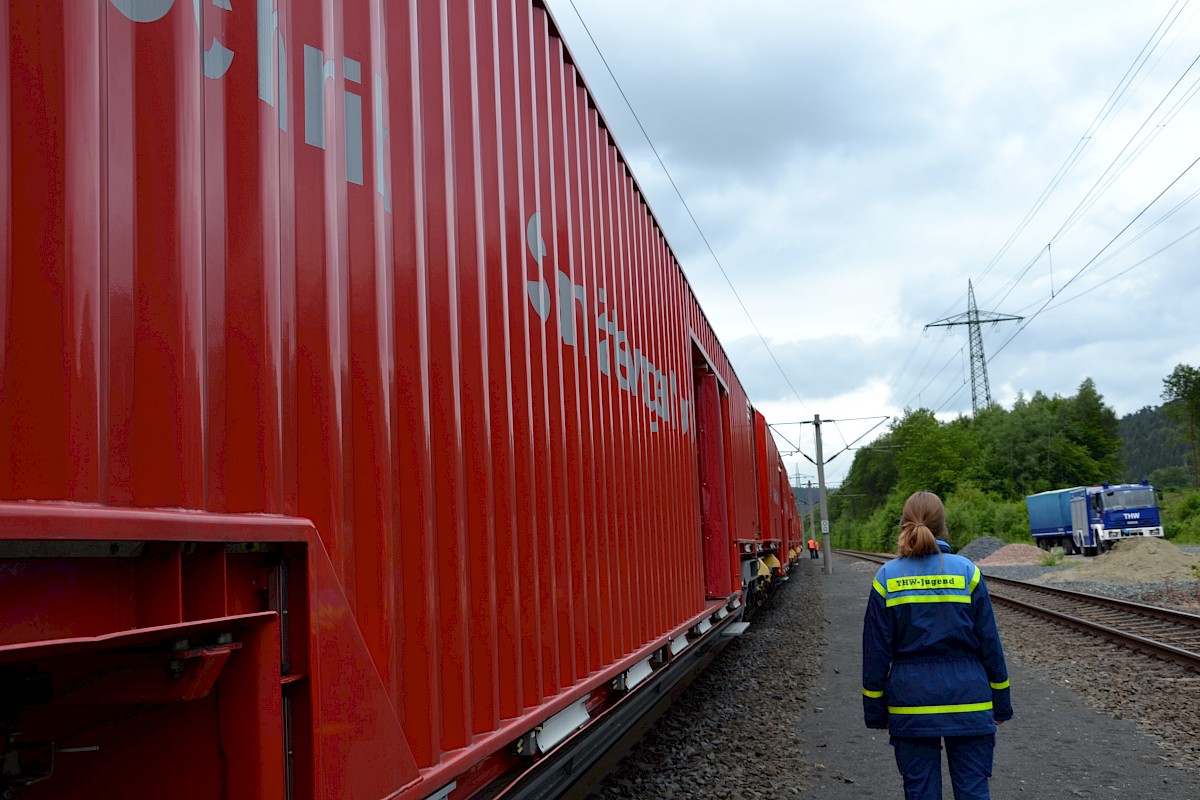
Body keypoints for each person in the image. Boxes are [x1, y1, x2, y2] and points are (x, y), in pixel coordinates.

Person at [861, 491, 1012, 800]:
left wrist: (876, 710)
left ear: (903, 525)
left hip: (910, 704)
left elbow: (875, 654)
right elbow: (990, 644)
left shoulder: (886, 578)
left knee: (920, 793)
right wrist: (1001, 702)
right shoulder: (967, 573)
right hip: (970, 701)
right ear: (943, 527)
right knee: (973, 791)